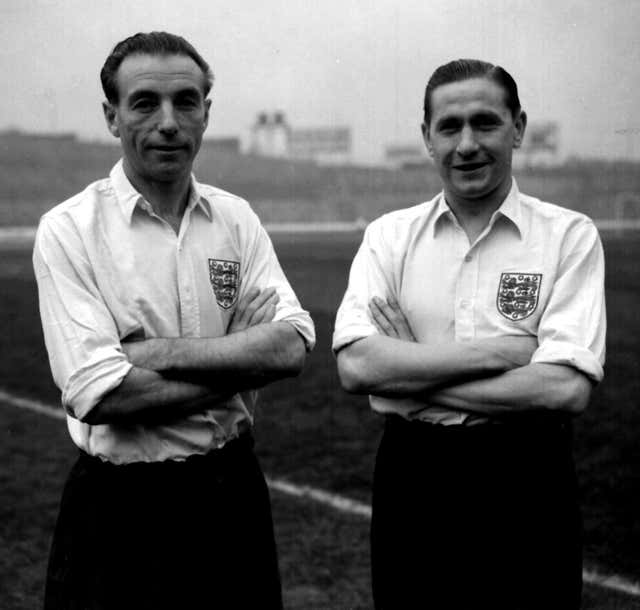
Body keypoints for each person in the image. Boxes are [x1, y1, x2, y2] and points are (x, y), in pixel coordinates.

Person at [33, 31, 315, 610]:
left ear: (206, 114)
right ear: (112, 117)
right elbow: (98, 393)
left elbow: (290, 347)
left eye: (186, 102)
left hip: (230, 492)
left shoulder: (235, 220)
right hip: (117, 506)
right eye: (144, 103)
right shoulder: (70, 230)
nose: (168, 122)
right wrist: (240, 354)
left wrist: (149, 353)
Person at [333, 59, 606, 609]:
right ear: (427, 139)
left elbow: (564, 391)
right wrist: (504, 354)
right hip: (415, 475)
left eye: (485, 123)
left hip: (528, 475)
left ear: (518, 128)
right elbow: (358, 368)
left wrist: (407, 375)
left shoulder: (568, 237)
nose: (467, 145)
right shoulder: (389, 237)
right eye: (449, 127)